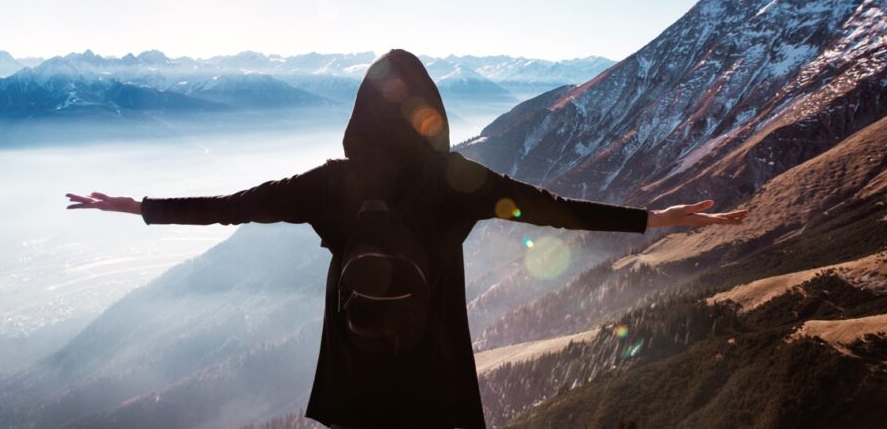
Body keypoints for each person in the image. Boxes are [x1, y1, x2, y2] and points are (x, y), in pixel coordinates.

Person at [66, 49, 748, 429]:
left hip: (355, 388)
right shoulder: (461, 180)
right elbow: (557, 212)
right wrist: (662, 220)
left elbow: (232, 207)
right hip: (435, 385)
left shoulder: (331, 183)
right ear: (432, 115)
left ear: (361, 111)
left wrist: (139, 206)